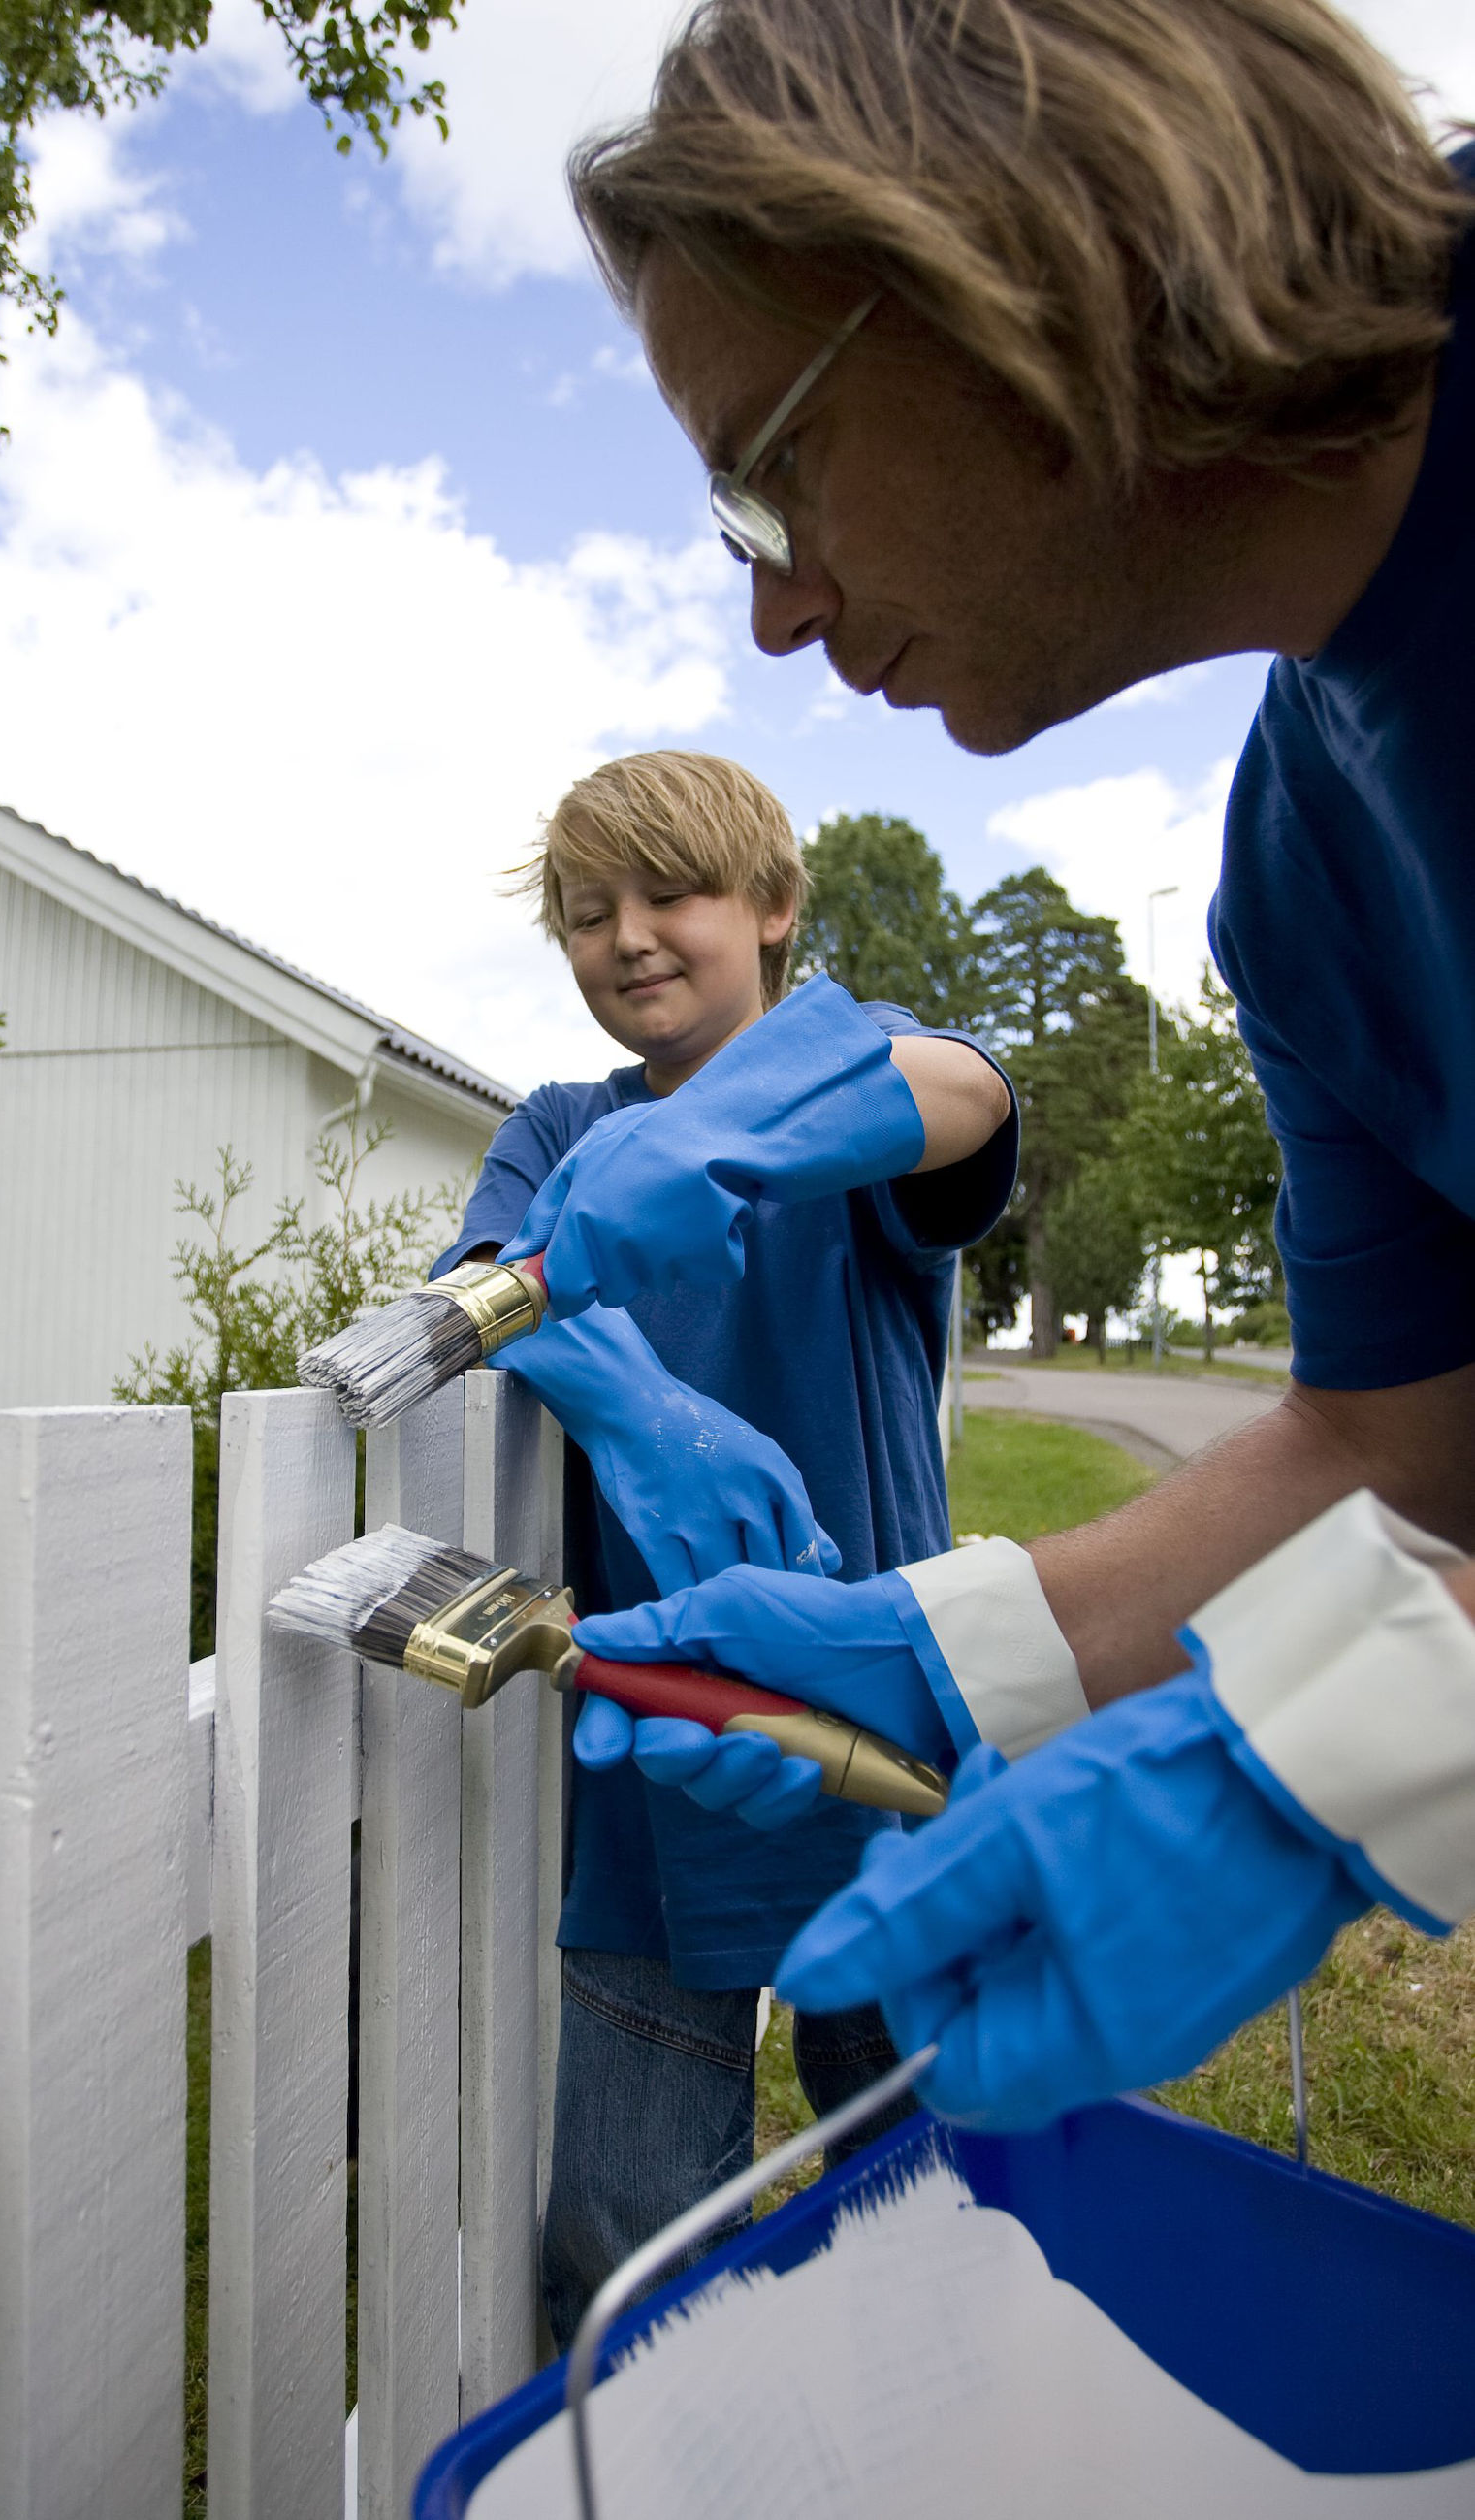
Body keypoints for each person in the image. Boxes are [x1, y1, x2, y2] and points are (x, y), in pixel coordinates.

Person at [505, 0, 1475, 2130]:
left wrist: (1363, 1739)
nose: (769, 615)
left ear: (1003, 257)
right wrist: (964, 1652)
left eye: (765, 467)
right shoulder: (1303, 879)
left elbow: (954, 1105)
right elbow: (1400, 1449)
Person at [432, 748, 1013, 2335]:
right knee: (627, 2248)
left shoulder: (849, 1084)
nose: (625, 936)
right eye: (585, 910)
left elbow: (964, 1090)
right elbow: (479, 1269)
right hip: (658, 1776)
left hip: (885, 1763)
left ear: (773, 908)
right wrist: (630, 1401)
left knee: (924, 2217)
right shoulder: (558, 1123)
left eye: (670, 892)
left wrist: (739, 1132)